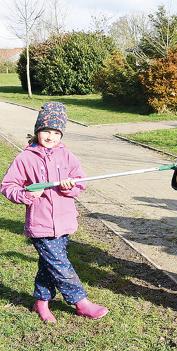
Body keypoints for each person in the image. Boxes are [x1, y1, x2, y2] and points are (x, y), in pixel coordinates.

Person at [1, 102, 109, 323]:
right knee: (59, 264)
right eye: (46, 131)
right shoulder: (26, 158)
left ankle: (41, 302)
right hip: (40, 224)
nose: (50, 137)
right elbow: (8, 186)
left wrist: (70, 187)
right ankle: (80, 302)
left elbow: (81, 181)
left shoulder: (66, 155)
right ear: (37, 130)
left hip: (64, 221)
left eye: (56, 132)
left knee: (49, 264)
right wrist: (28, 195)